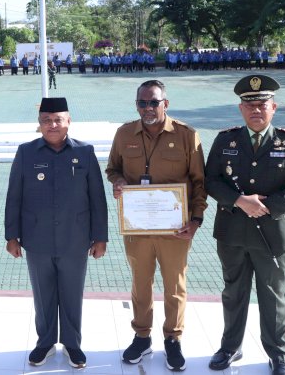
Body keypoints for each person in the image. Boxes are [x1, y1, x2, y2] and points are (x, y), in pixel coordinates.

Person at [205, 75, 285, 375]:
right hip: (232, 233)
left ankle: (279, 355)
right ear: (241, 109)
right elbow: (210, 181)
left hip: (273, 233)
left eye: (262, 104)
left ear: (273, 107)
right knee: (233, 292)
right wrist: (241, 201)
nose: (256, 110)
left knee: (273, 295)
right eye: (249, 104)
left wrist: (265, 206)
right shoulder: (225, 140)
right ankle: (230, 347)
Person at [105, 79, 207, 372]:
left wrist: (196, 220)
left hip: (175, 227)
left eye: (154, 102)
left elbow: (199, 182)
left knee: (174, 285)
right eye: (142, 103)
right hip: (138, 226)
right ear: (136, 104)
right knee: (141, 283)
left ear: (166, 103)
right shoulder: (124, 134)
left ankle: (173, 338)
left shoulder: (187, 135)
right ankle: (141, 335)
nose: (148, 108)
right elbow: (112, 168)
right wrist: (118, 181)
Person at [5, 97, 108, 369]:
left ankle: (73, 345)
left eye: (58, 119)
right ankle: (46, 342)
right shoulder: (26, 152)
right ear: (39, 124)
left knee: (72, 295)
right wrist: (11, 236)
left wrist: (100, 237)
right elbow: (14, 196)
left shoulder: (84, 152)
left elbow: (97, 197)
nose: (52, 125)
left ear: (68, 121)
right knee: (43, 294)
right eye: (46, 120)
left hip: (76, 239)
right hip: (37, 239)